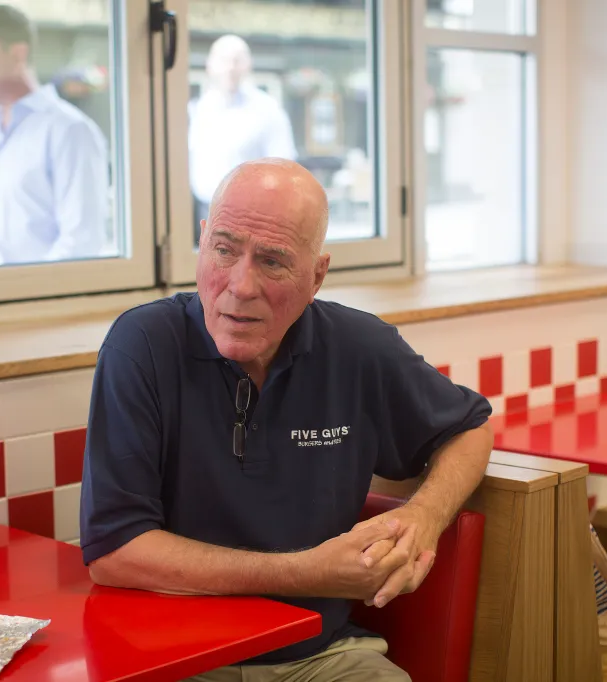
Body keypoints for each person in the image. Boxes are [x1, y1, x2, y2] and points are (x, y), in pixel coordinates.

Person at [80, 158, 493, 681]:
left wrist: (424, 518)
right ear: (203, 241)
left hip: (321, 656)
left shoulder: (358, 348)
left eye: (272, 261)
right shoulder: (141, 346)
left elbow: (470, 427)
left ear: (316, 275)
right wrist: (311, 572)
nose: (240, 285)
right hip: (176, 656)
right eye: (224, 250)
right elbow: (115, 552)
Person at [0, 4, 109, 267]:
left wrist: (24, 295)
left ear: (17, 54)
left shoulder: (69, 130)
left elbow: (82, 243)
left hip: (35, 302)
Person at [188, 35, 298, 241]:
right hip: (202, 215)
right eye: (223, 60)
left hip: (252, 220)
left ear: (248, 65)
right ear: (209, 65)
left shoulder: (268, 110)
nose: (230, 67)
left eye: (237, 60)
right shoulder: (197, 109)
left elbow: (285, 169)